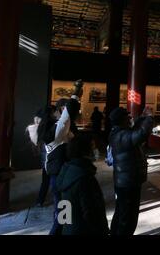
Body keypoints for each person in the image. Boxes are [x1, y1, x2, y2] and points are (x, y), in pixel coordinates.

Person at [38, 80, 83, 235]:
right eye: (57, 112)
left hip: (55, 174)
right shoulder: (57, 133)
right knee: (64, 207)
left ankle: (62, 229)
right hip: (61, 175)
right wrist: (76, 92)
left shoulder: (48, 132)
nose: (59, 113)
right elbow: (67, 115)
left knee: (62, 206)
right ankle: (59, 232)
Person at [109, 106, 153, 235]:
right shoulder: (121, 135)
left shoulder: (119, 132)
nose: (130, 118)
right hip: (128, 182)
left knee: (121, 212)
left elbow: (133, 131)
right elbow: (141, 134)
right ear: (122, 120)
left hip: (125, 180)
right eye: (127, 117)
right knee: (128, 218)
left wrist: (142, 117)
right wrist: (149, 118)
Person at [56, 134, 109, 235]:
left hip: (69, 229)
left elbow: (62, 212)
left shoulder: (66, 173)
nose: (96, 150)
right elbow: (91, 212)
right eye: (93, 147)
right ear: (84, 151)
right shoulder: (84, 178)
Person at [27, 106, 55, 207]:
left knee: (45, 180)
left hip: (45, 156)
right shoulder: (52, 124)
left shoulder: (40, 125)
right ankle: (57, 200)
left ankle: (40, 200)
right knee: (54, 180)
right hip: (51, 155)